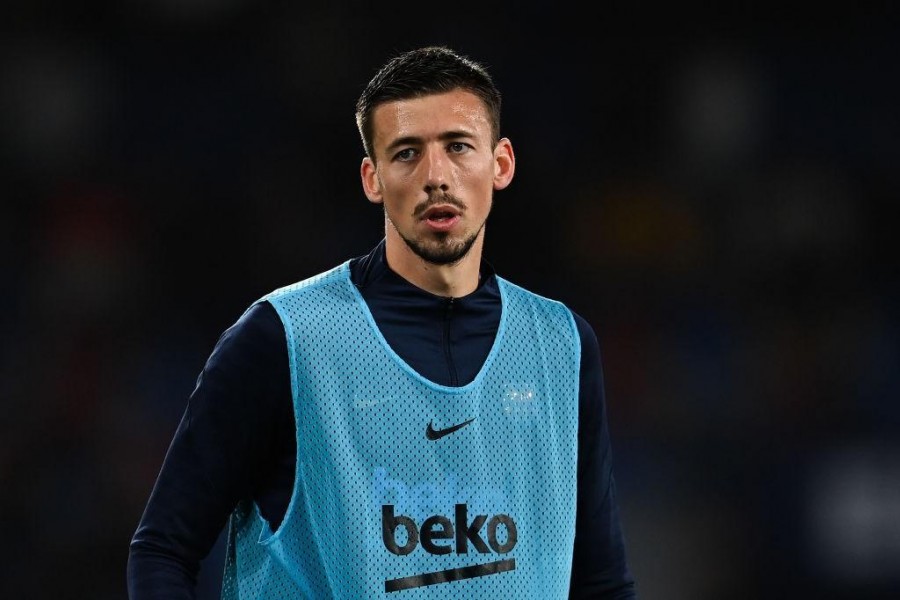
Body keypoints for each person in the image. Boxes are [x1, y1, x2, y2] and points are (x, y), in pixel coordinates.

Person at [127, 45, 636, 599]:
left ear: (501, 164)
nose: (436, 176)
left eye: (458, 147)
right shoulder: (282, 339)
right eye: (407, 154)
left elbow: (601, 582)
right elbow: (163, 550)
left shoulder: (562, 345)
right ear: (372, 178)